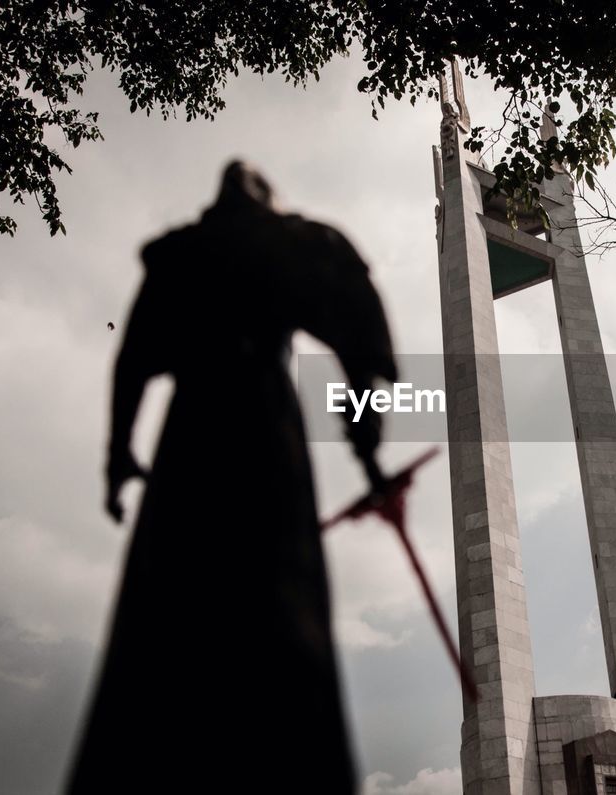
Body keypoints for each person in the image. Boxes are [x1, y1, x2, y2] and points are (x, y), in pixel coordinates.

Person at [67, 160, 396, 792]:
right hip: (262, 425)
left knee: (171, 603)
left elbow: (132, 363)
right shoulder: (294, 241)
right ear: (267, 200)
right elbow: (362, 343)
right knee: (271, 585)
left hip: (194, 427)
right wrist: (366, 447)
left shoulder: (183, 255)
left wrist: (118, 455)